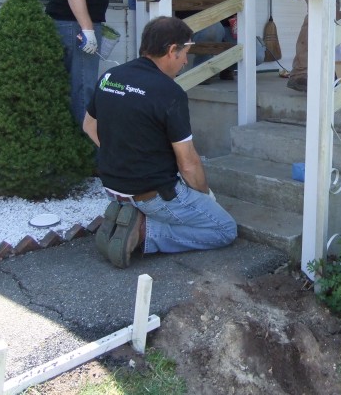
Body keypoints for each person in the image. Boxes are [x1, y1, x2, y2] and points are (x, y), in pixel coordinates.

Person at [83, 16, 238, 268]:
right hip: (152, 195)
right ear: (171, 50)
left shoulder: (111, 77)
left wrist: (120, 153)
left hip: (112, 187)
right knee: (224, 229)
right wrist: (204, 197)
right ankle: (143, 232)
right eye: (185, 53)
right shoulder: (169, 92)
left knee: (193, 214)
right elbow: (188, 164)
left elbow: (89, 126)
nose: (186, 61)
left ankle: (128, 216)